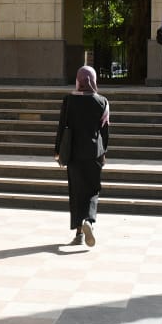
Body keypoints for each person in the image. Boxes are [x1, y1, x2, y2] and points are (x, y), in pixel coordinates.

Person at [54, 66, 110, 247]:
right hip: (94, 153)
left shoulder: (69, 100)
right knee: (92, 190)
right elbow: (105, 131)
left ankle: (78, 233)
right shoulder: (102, 102)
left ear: (78, 80)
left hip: (73, 154)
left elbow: (62, 127)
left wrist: (57, 151)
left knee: (76, 191)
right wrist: (104, 151)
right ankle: (89, 221)